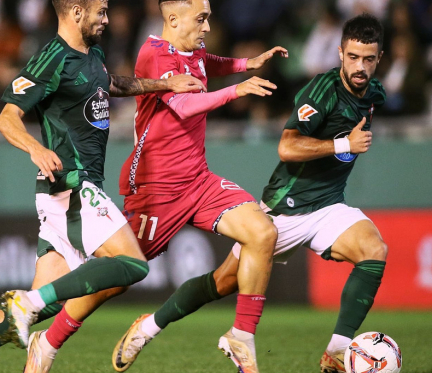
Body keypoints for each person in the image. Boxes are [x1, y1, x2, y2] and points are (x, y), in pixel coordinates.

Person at [0, 0, 206, 372]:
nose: (107, 19)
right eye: (101, 11)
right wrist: (35, 147)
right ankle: (29, 303)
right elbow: (7, 118)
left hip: (72, 188)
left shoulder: (92, 54)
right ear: (76, 12)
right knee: (132, 265)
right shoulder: (51, 58)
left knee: (48, 303)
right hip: (71, 182)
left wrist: (163, 84)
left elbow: (112, 84)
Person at [111, 13, 388, 373]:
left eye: (368, 59)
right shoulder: (322, 91)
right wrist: (341, 144)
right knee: (221, 283)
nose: (360, 67)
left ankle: (336, 353)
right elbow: (287, 147)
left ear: (379, 59)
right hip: (286, 207)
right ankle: (148, 327)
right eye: (353, 57)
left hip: (329, 205)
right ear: (339, 53)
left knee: (374, 250)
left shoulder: (375, 94)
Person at [112, 1, 288, 373]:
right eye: (201, 18)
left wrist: (245, 64)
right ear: (173, 19)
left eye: (208, 17)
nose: (208, 26)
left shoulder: (193, 50)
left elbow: (210, 62)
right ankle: (48, 328)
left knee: (262, 233)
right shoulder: (153, 55)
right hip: (156, 189)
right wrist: (236, 91)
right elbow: (185, 106)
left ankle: (242, 336)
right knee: (111, 277)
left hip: (198, 180)